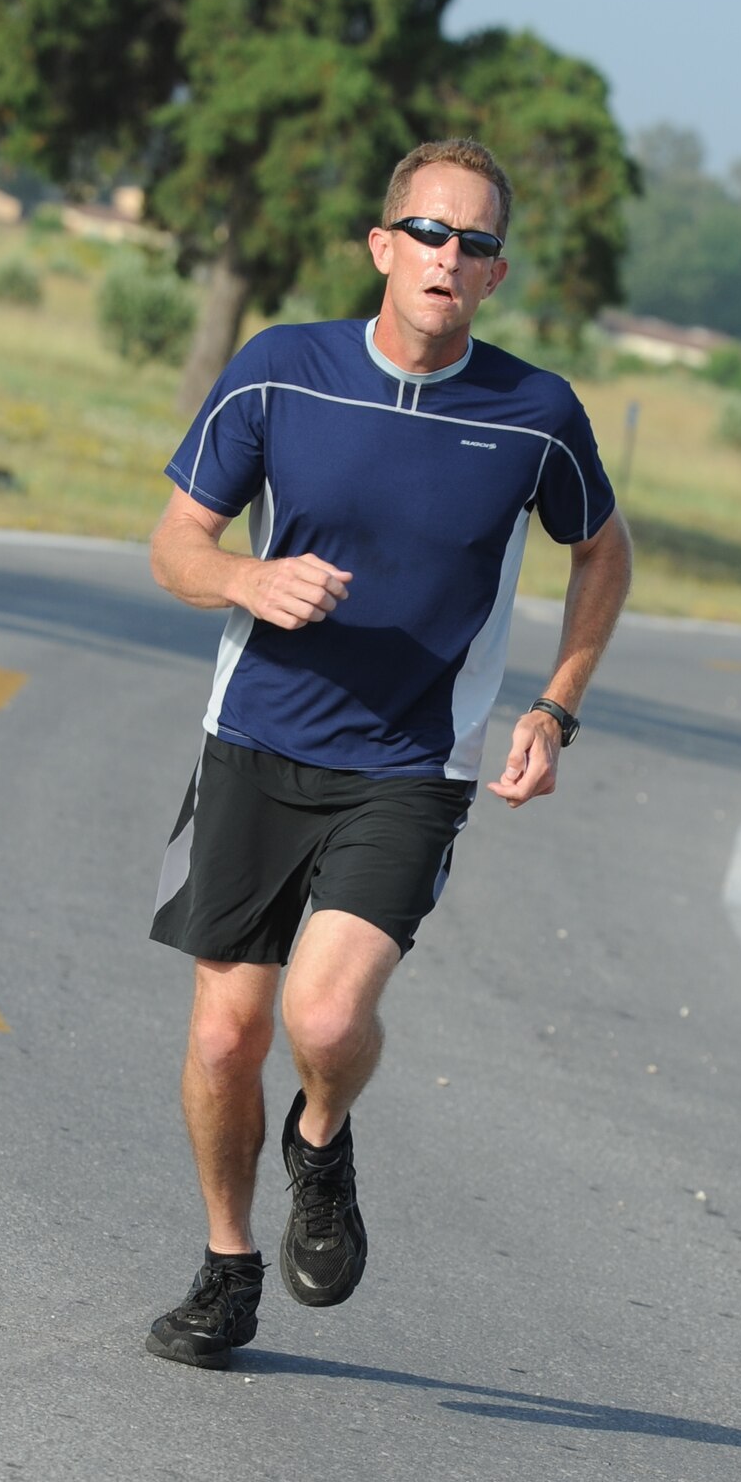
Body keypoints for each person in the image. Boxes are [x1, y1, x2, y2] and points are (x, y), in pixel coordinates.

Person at [143, 138, 633, 1368]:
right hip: (253, 742)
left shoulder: (537, 412)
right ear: (382, 243)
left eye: (473, 244)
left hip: (414, 762)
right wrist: (250, 577)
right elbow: (175, 548)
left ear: (497, 272)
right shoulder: (280, 372)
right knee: (220, 1038)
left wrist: (556, 703)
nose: (446, 259)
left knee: (322, 1012)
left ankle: (321, 1134)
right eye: (427, 232)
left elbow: (604, 551)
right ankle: (227, 1264)